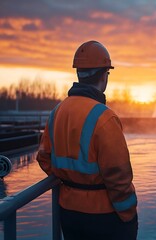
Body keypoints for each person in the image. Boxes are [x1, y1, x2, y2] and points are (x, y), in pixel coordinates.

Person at [36, 40, 138, 240]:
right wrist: (128, 215)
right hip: (104, 217)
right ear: (103, 75)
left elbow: (44, 158)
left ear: (79, 74)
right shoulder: (105, 118)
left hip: (68, 213)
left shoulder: (57, 112)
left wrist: (70, 183)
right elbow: (118, 176)